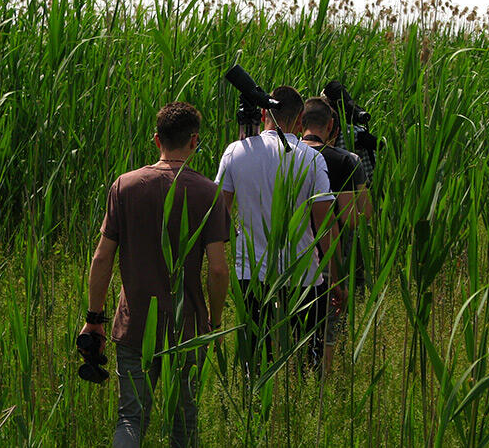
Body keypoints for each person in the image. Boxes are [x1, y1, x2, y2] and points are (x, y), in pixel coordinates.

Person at [79, 102, 229, 448]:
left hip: (135, 327)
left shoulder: (126, 186)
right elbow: (218, 270)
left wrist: (94, 319)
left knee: (131, 418)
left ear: (156, 139)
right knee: (184, 424)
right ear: (194, 141)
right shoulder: (209, 193)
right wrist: (214, 323)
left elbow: (102, 258)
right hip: (188, 328)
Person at [215, 86, 344, 371]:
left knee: (255, 359)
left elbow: (218, 216)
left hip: (251, 272)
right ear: (300, 122)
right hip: (303, 275)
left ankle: (255, 406)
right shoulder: (312, 159)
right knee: (309, 361)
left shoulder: (235, 152)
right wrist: (336, 278)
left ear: (263, 114)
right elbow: (325, 223)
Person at [300, 97, 373, 373]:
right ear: (332, 126)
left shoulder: (288, 155)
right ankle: (323, 388)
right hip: (330, 255)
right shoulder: (346, 160)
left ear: (300, 123)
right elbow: (354, 218)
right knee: (328, 330)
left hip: (293, 256)